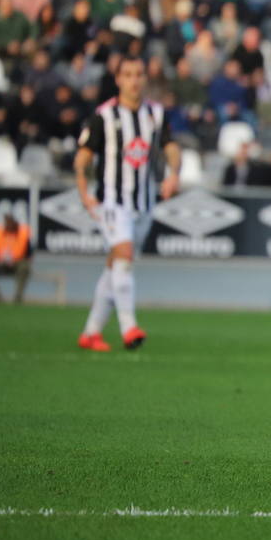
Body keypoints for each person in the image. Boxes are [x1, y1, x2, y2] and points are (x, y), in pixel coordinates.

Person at [74, 56, 181, 351]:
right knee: (124, 256)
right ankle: (129, 327)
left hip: (143, 203)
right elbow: (82, 158)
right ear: (118, 79)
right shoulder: (104, 116)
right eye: (128, 75)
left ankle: (91, 332)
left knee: (115, 267)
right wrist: (84, 193)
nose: (134, 80)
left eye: (139, 74)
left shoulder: (156, 115)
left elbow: (171, 147)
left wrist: (174, 175)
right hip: (112, 201)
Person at [0, 211, 32, 303]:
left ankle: (18, 298)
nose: (8, 224)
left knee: (24, 267)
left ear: (14, 222)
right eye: (7, 221)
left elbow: (29, 254)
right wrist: (1, 260)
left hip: (17, 263)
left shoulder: (23, 234)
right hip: (1, 262)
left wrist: (15, 261)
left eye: (10, 221)